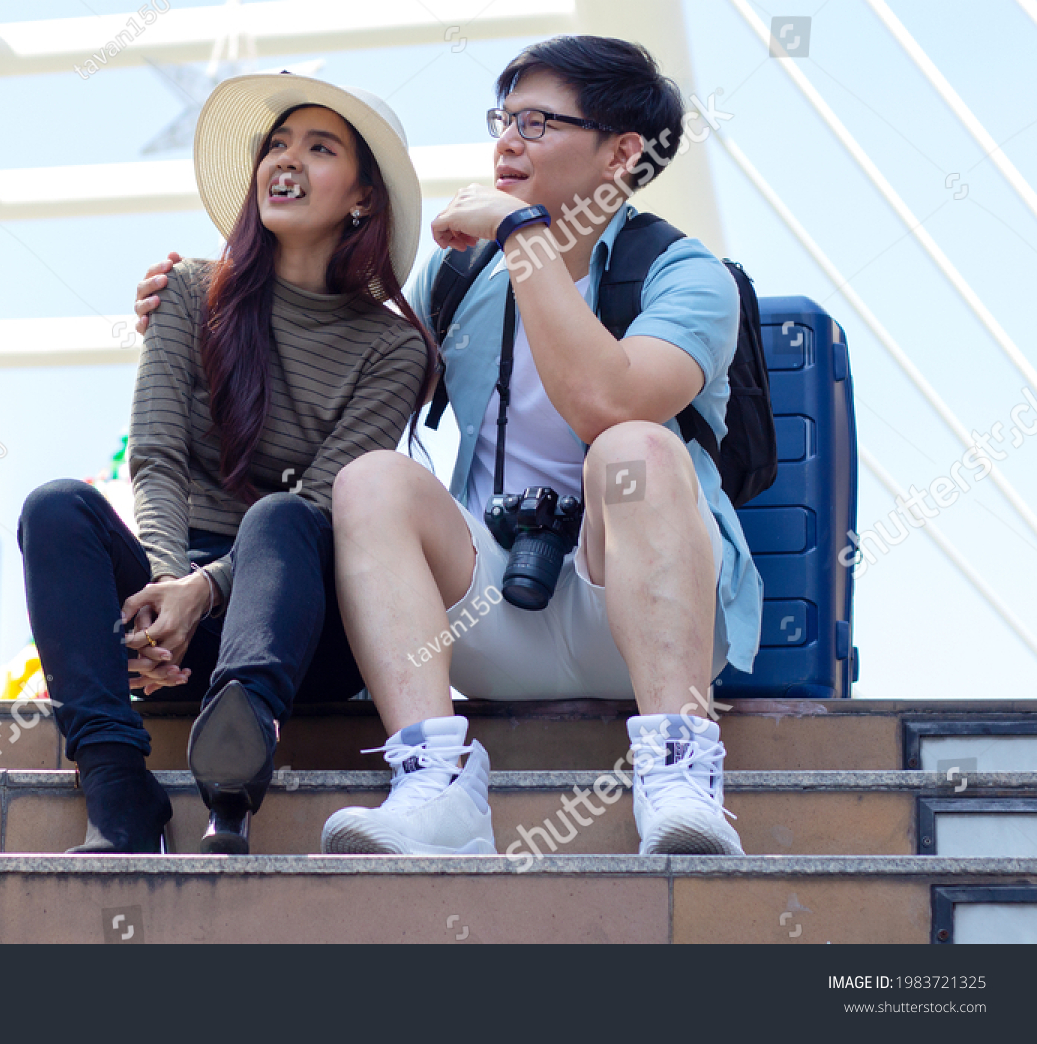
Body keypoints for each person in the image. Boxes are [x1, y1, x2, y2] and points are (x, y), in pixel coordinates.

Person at [135, 37, 763, 858]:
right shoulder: (462, 277)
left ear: (621, 153)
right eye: (505, 120)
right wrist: (204, 316)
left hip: (642, 618)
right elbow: (334, 365)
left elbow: (607, 401)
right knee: (371, 479)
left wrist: (523, 235)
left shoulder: (688, 276)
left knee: (635, 450)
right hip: (492, 618)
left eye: (538, 124)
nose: (508, 142)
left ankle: (679, 774)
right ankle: (436, 783)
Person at [20, 72, 434, 855]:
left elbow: (326, 502)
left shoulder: (395, 348)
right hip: (175, 601)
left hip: (300, 628)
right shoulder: (187, 292)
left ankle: (237, 763)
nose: (287, 161)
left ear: (363, 198)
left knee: (284, 515)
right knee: (55, 507)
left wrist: (201, 592)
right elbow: (157, 460)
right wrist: (163, 594)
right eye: (277, 144)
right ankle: (116, 790)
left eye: (320, 148)